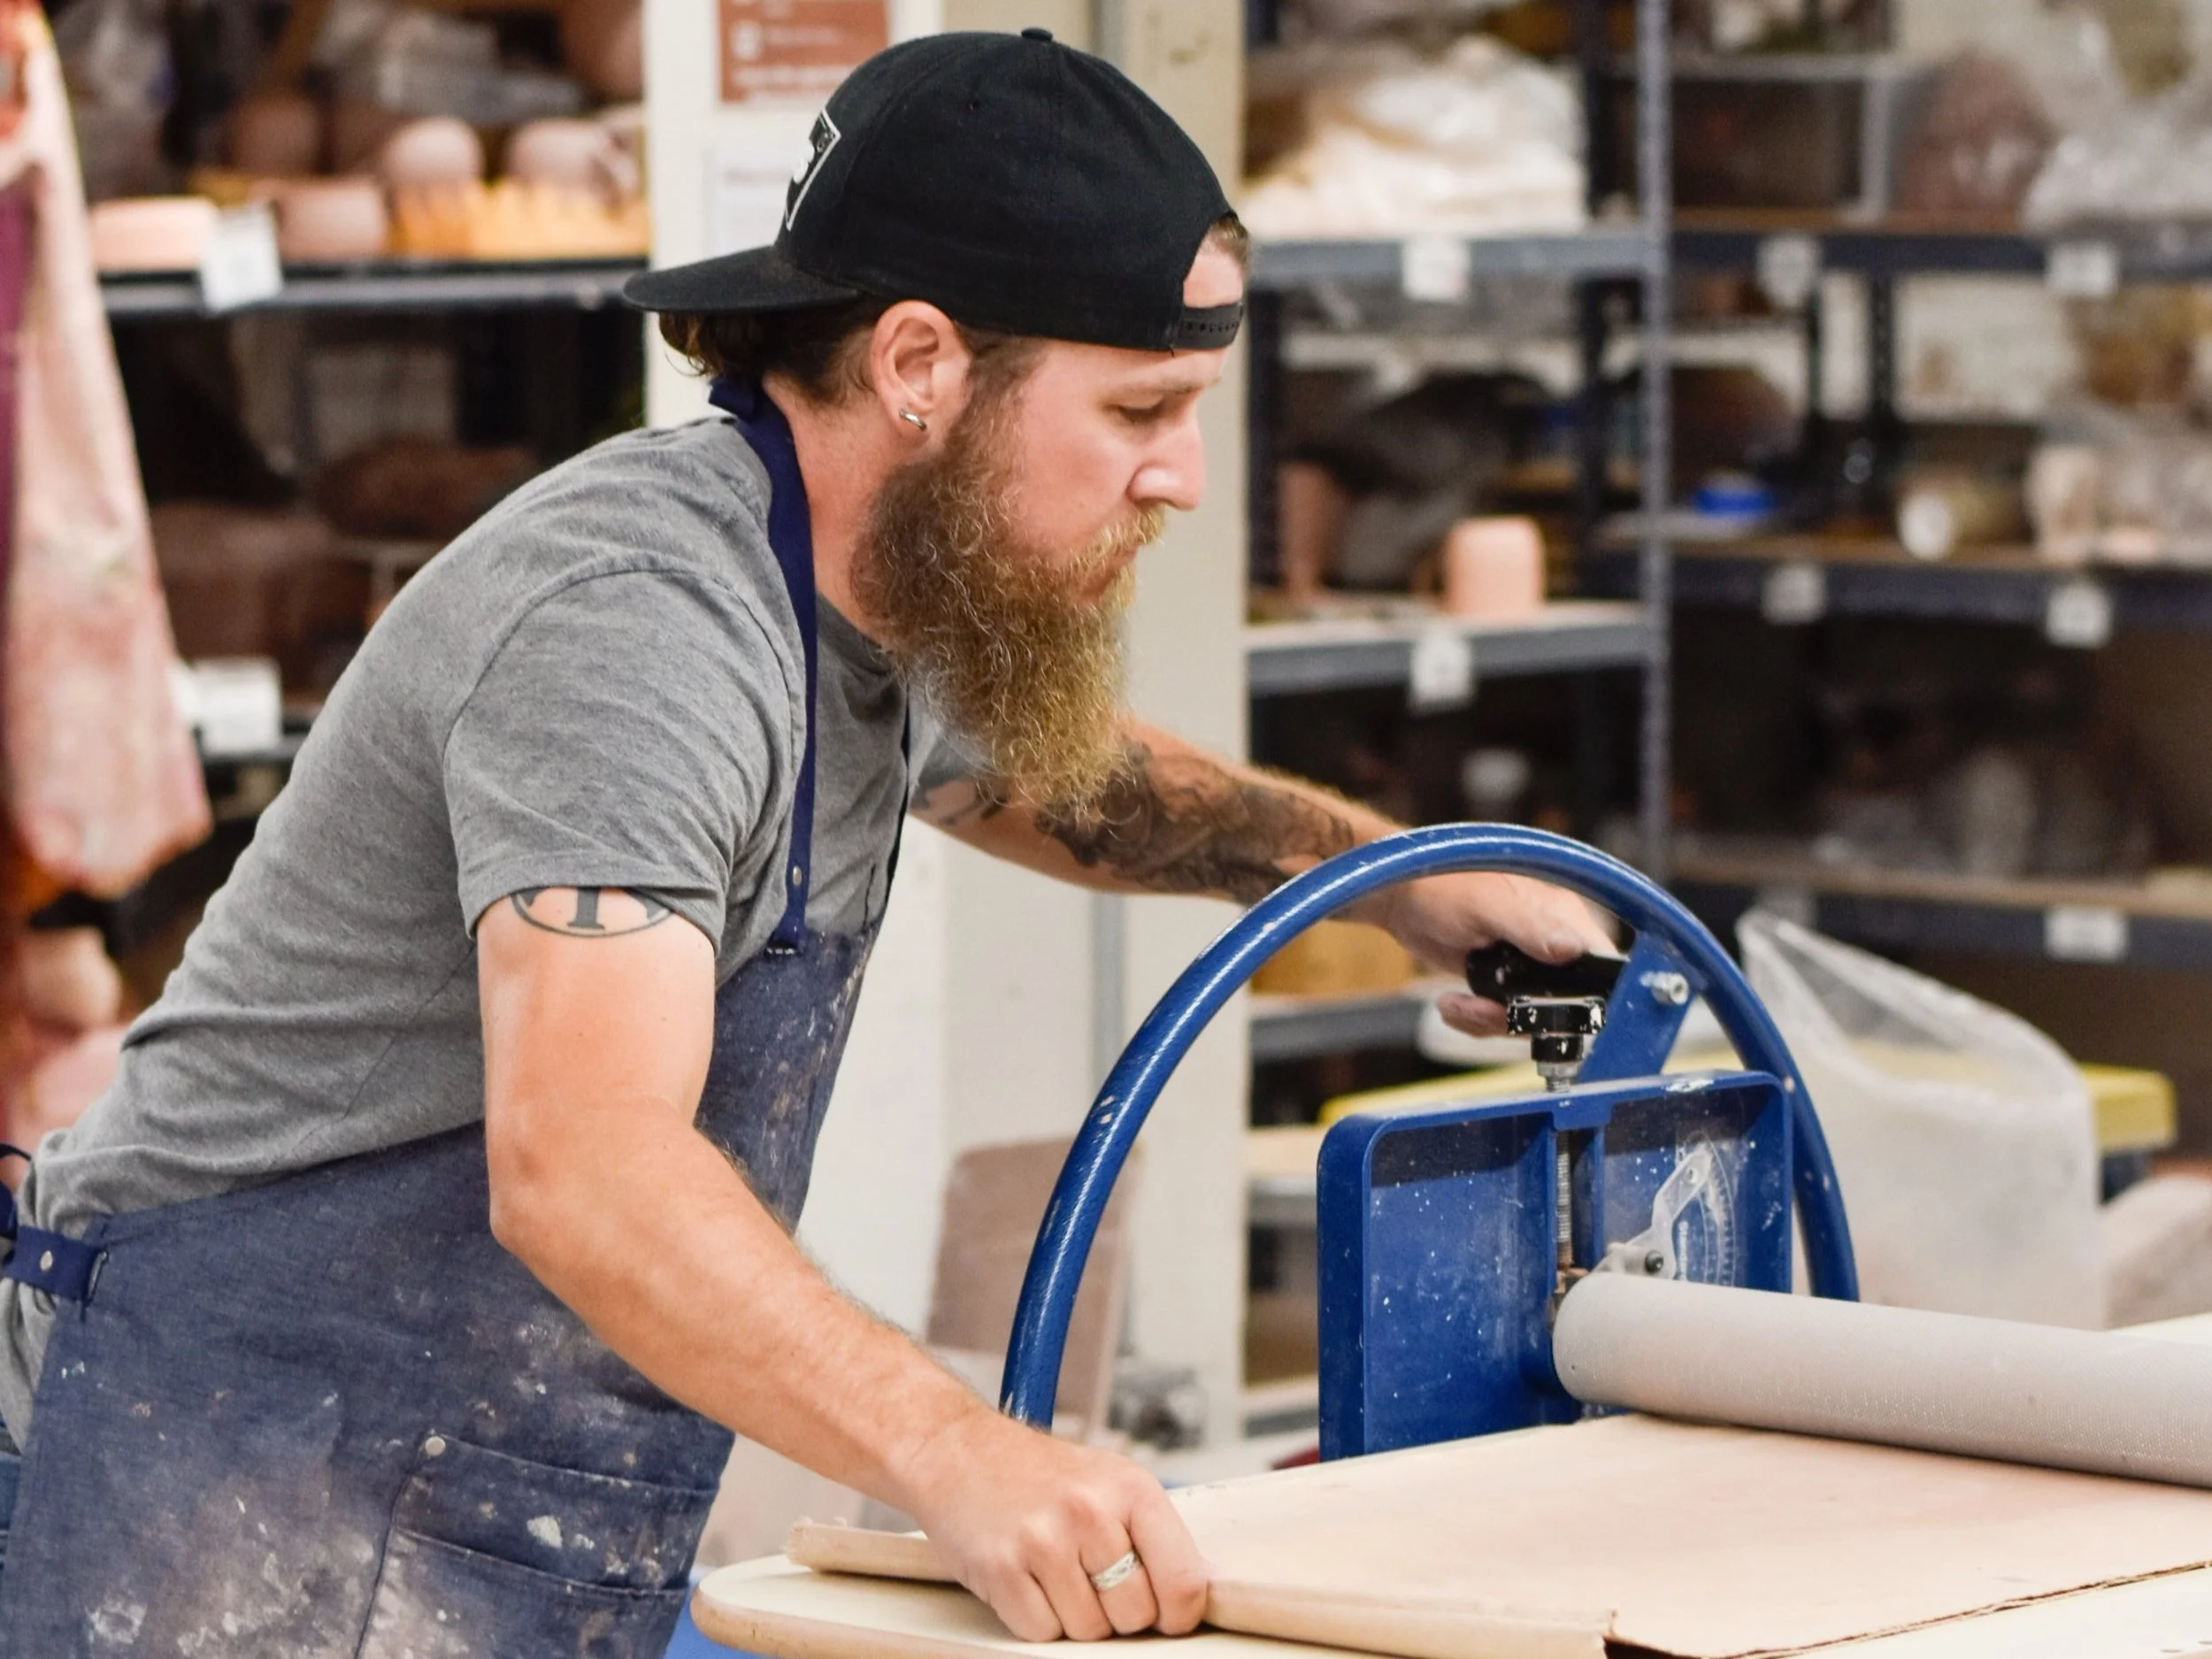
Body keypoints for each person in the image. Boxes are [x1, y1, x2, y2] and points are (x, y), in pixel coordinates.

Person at [0, 29, 1607, 1657]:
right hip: (178, 1461)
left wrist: (1399, 876)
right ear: (919, 364)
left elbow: (1077, 783)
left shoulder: (869, 599)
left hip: (403, 1487)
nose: (1182, 476)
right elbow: (585, 1168)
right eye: (1140, 406)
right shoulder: (640, 627)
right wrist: (959, 1451)